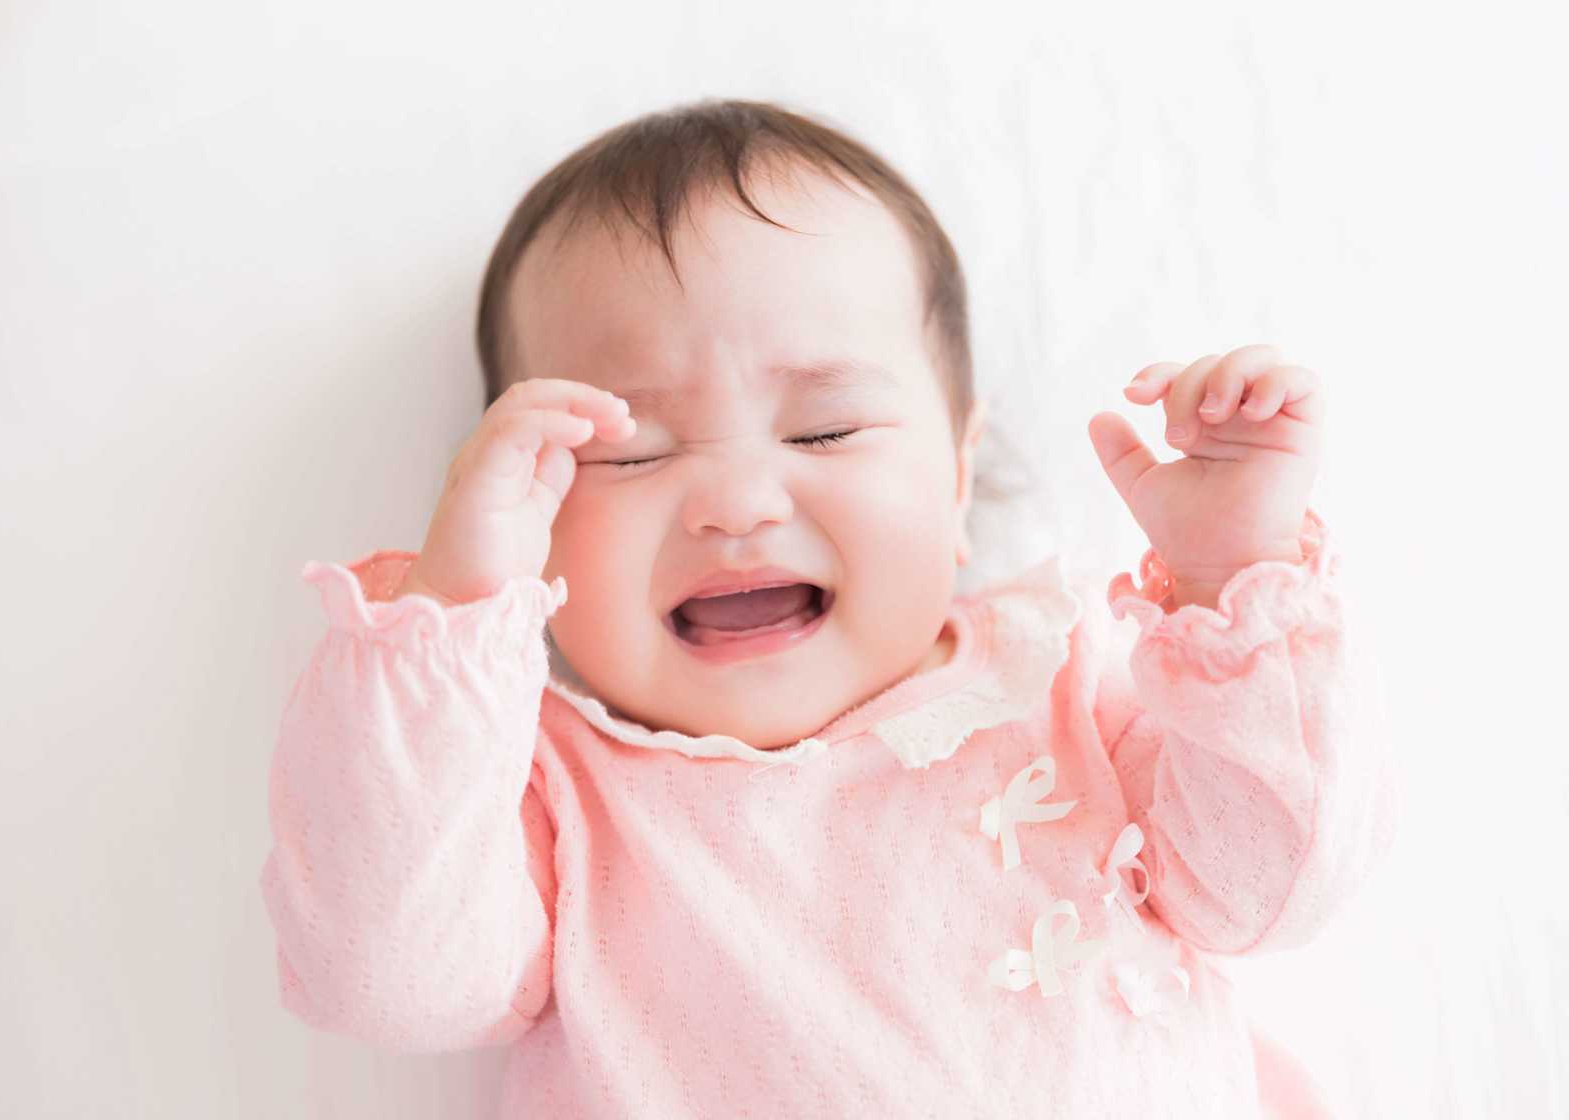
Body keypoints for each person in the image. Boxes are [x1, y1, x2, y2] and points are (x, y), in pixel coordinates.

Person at [258, 97, 1396, 1118]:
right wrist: (453, 617)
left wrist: (1231, 575)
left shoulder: (1056, 680)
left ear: (958, 477)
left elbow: (1273, 888)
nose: (737, 504)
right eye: (631, 451)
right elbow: (384, 976)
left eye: (824, 430)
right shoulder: (550, 793)